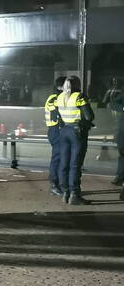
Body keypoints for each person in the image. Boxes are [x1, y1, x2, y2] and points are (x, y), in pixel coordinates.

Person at [55, 75, 96, 205]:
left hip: (64, 131)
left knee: (64, 163)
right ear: (77, 85)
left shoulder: (59, 97)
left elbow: (58, 115)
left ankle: (65, 192)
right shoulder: (79, 97)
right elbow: (89, 116)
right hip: (77, 132)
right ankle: (74, 194)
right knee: (75, 164)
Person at [44, 76, 67, 196]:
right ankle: (54, 184)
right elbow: (57, 112)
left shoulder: (59, 97)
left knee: (62, 157)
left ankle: (60, 184)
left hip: (59, 130)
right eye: (67, 85)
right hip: (55, 130)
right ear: (60, 86)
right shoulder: (54, 98)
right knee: (57, 157)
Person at [103, 77, 124, 187]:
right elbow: (112, 104)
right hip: (123, 129)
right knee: (122, 154)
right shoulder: (122, 93)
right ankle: (120, 177)